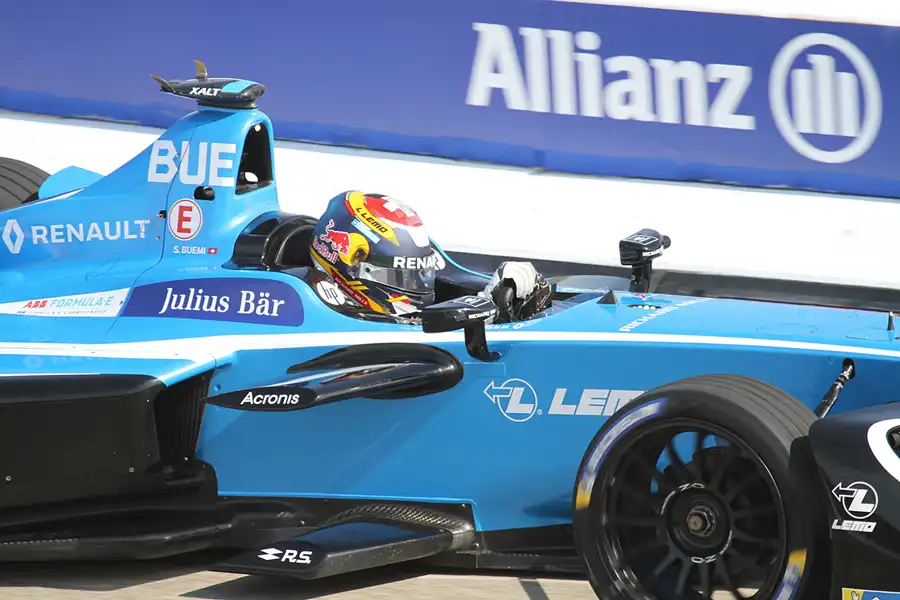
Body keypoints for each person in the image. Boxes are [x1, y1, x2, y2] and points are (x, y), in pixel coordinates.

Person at [309, 191, 552, 323]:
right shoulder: (306, 304)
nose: (416, 288)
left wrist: (499, 294)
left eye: (420, 274)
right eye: (400, 276)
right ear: (353, 265)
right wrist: (488, 318)